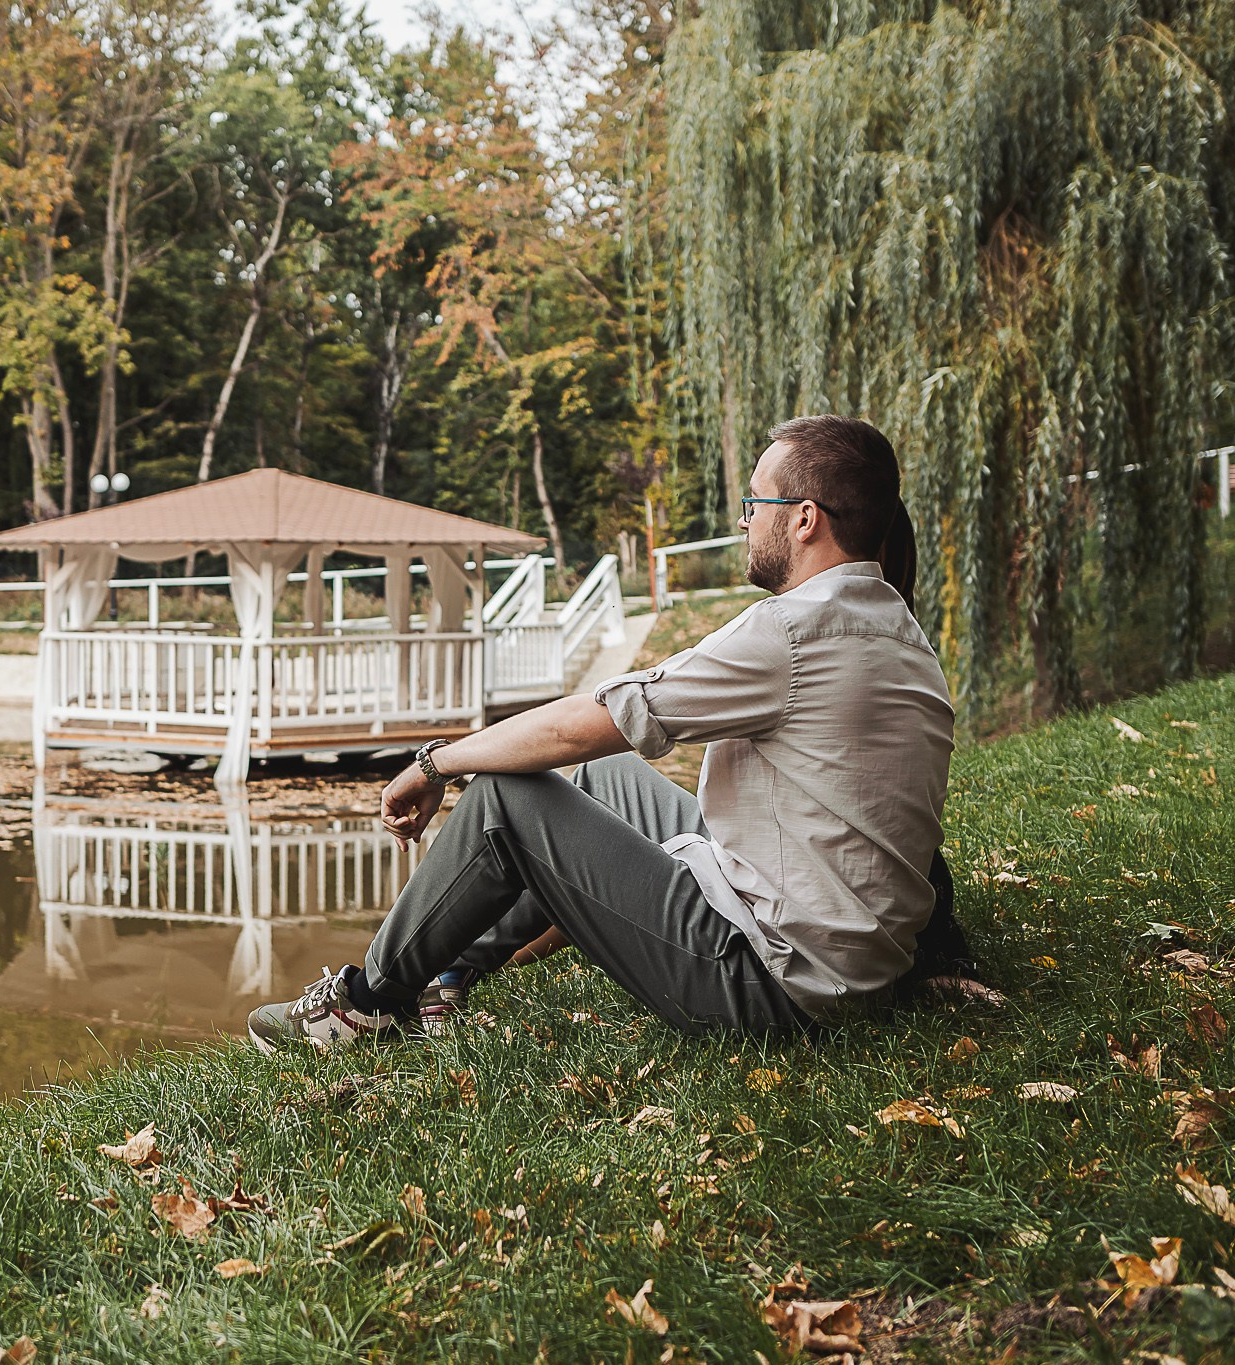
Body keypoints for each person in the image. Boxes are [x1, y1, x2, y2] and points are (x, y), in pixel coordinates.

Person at [247, 415, 960, 1051]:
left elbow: (580, 725)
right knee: (598, 780)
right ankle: (444, 971)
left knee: (503, 802)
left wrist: (436, 765)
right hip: (843, 957)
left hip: (770, 983)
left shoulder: (792, 633)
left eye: (754, 503)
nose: (744, 521)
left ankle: (364, 1008)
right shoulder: (897, 629)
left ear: (804, 519)